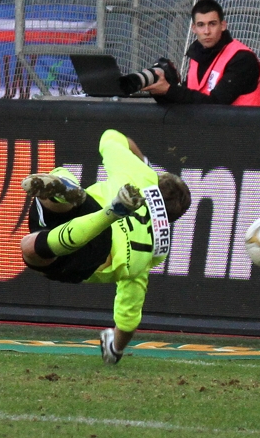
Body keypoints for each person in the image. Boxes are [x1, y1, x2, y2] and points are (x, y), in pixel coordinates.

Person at [20, 129, 191, 364]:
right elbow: (128, 319)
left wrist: (144, 163)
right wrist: (115, 349)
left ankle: (66, 188)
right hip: (96, 254)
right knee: (30, 249)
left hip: (89, 208)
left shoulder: (141, 175)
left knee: (55, 200)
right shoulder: (158, 248)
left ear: (157, 181)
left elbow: (111, 136)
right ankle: (108, 213)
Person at [143, 0, 260, 106]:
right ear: (194, 28)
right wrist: (158, 90)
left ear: (223, 25)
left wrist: (169, 90)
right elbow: (187, 100)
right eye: (201, 25)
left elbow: (216, 104)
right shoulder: (197, 57)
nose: (206, 31)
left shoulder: (242, 58)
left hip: (244, 130)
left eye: (212, 24)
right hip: (208, 129)